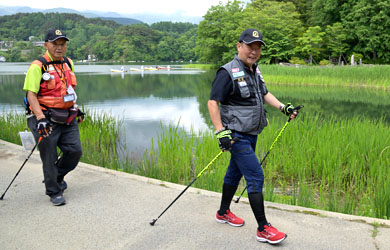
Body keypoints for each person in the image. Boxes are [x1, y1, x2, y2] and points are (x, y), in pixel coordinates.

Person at [208, 28, 299, 245]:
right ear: (239, 46)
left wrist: (283, 108)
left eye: (258, 48)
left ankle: (223, 212)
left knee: (233, 173)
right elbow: (213, 102)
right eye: (250, 46)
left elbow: (265, 93)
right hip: (236, 135)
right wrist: (221, 132)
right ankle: (263, 228)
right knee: (256, 176)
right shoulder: (227, 72)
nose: (254, 51)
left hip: (252, 132)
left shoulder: (254, 70)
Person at [23, 29, 84, 206]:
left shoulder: (68, 63)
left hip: (67, 115)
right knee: (49, 156)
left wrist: (76, 108)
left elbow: (69, 89)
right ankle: (54, 191)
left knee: (74, 151)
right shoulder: (37, 66)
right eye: (55, 44)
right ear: (46, 45)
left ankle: (55, 176)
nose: (59, 47)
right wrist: (40, 118)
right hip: (45, 117)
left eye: (62, 44)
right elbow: (31, 95)